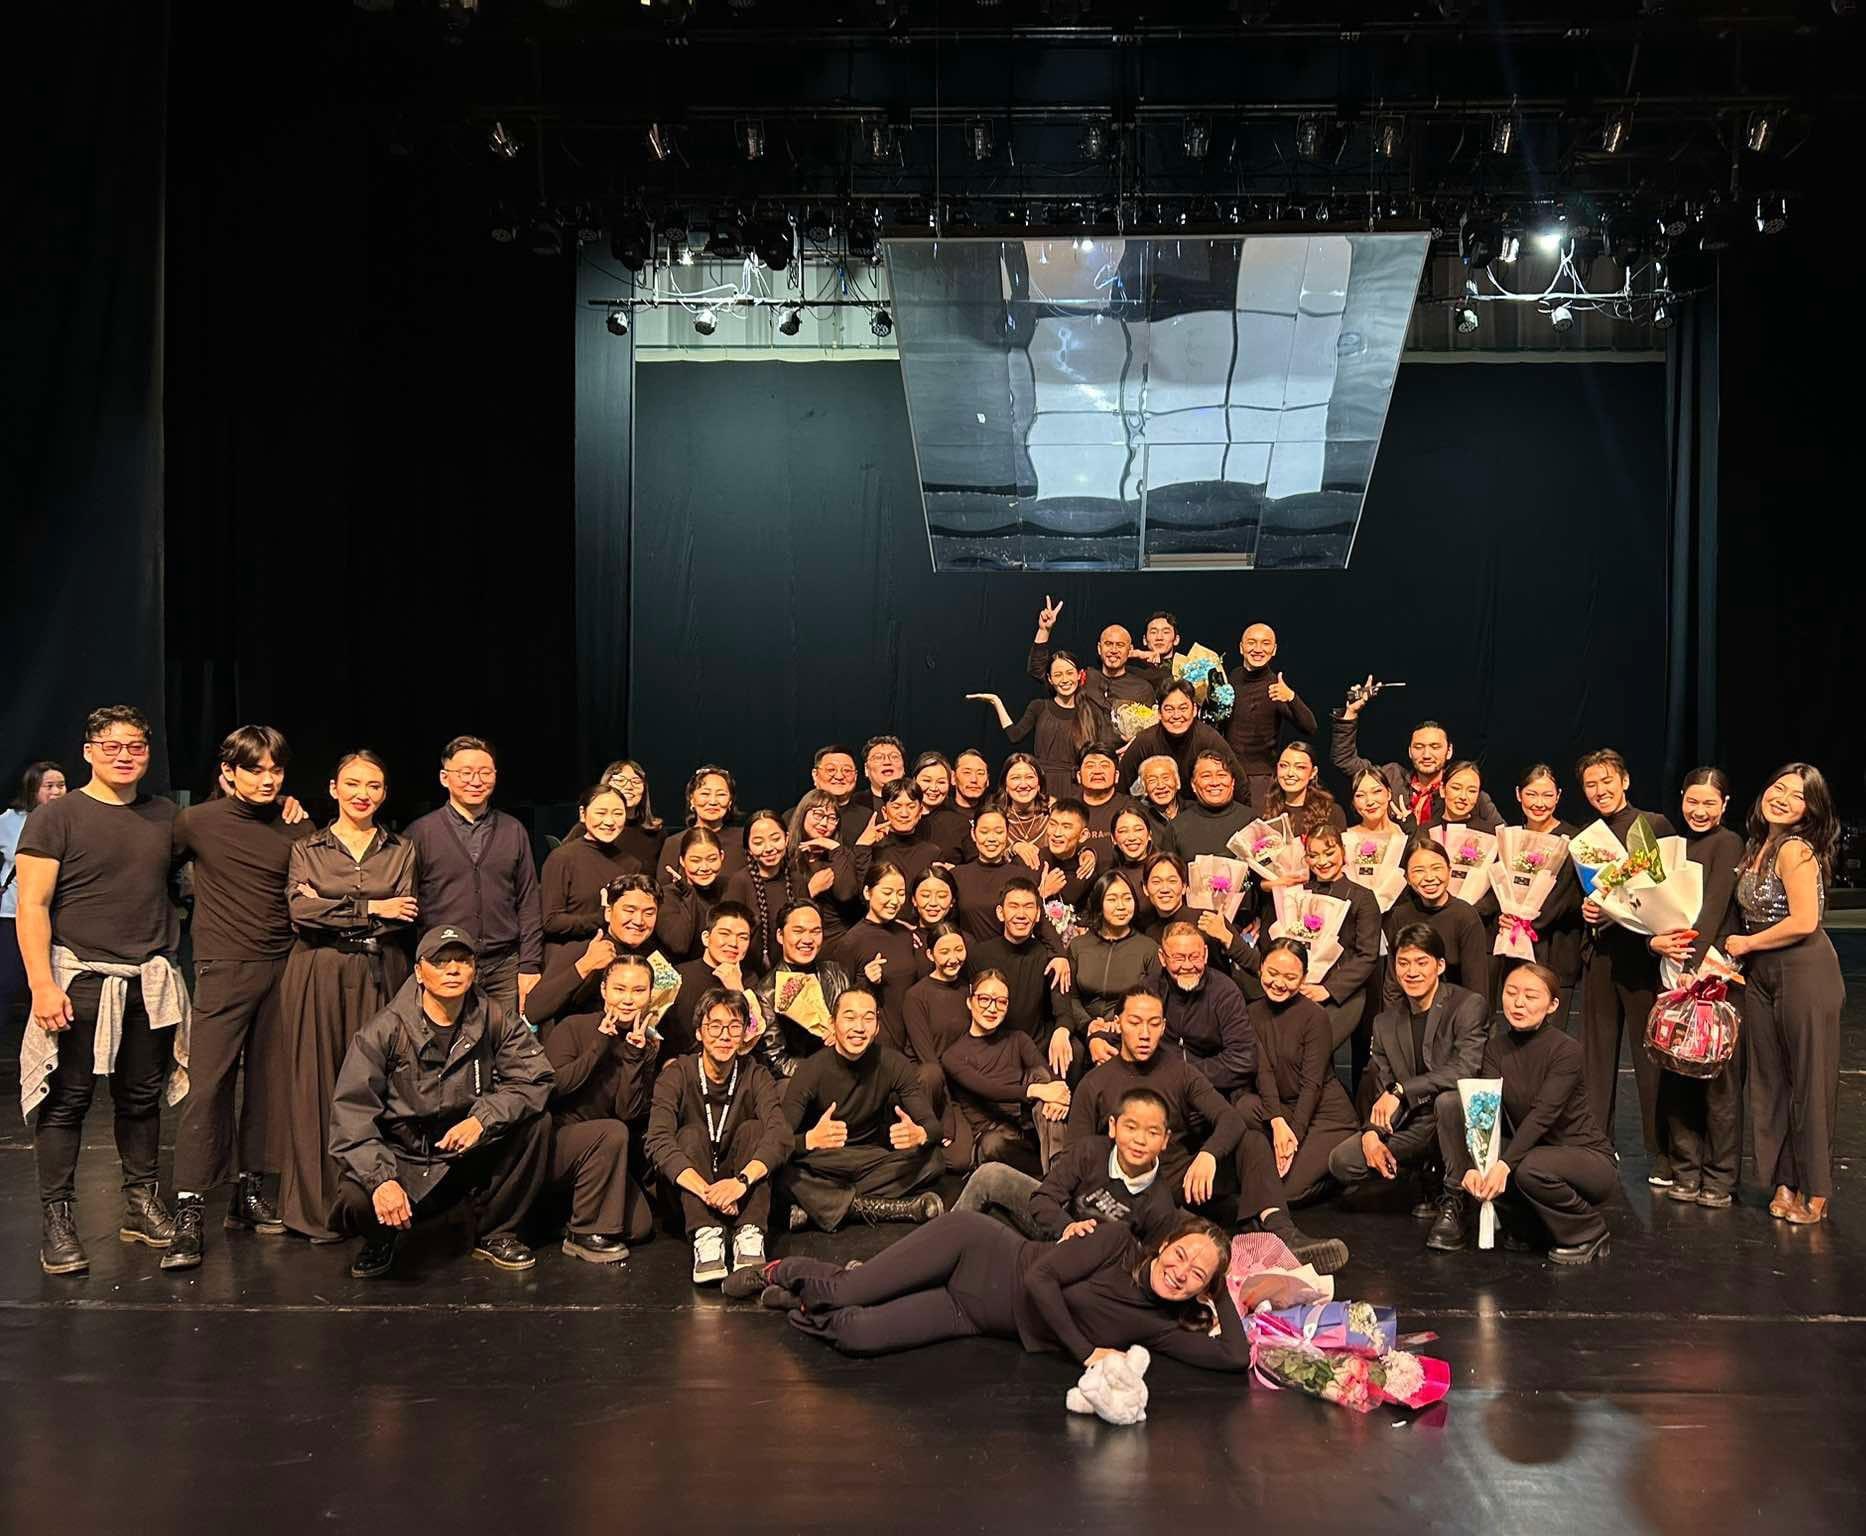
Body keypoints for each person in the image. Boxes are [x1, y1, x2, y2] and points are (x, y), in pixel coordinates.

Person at [14, 706, 183, 1275]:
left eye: (135, 745)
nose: (124, 755)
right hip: (78, 979)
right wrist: (42, 984)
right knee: (67, 1101)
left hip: (146, 982)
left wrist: (287, 809)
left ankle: (139, 1203)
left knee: (141, 1098)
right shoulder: (56, 817)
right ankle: (58, 1218)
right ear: (88, 751)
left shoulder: (165, 816)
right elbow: (32, 906)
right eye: (111, 745)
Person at [165, 725, 317, 1269]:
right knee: (208, 1086)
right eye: (255, 770)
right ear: (229, 771)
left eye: (276, 770)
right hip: (224, 967)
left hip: (284, 966)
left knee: (270, 1085)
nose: (267, 780)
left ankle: (248, 1192)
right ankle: (189, 1208)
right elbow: (158, 873)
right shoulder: (198, 822)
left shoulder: (296, 824)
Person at [328, 927, 553, 1279]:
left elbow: (536, 1078)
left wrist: (483, 1119)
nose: (452, 970)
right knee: (356, 1197)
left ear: (474, 969)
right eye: (440, 962)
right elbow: (351, 1117)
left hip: (465, 1154)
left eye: (462, 961)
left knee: (537, 1123)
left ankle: (496, 1233)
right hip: (405, 1160)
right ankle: (381, 1238)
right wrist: (381, 1179)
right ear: (419, 972)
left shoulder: (495, 1018)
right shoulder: (383, 1031)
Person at [758, 1209, 1250, 1369]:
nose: (1181, 1272)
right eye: (1181, 1256)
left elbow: (1232, 1358)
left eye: (1197, 1275)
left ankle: (801, 1299)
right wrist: (1085, 1352)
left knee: (857, 1335)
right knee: (849, 1292)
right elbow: (1039, 1279)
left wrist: (1220, 1286)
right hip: (975, 1250)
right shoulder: (1116, 1241)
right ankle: (783, 1271)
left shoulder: (1160, 1326)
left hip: (970, 1314)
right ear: (1164, 1246)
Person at [1069, 987, 1343, 1268]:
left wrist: (1209, 1154)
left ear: (1163, 1026)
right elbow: (1076, 1156)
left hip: (1181, 1177)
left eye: (1153, 1024)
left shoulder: (1179, 1070)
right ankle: (1240, 1240)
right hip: (1133, 1190)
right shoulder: (1094, 1084)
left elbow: (1229, 1119)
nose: (1144, 1034)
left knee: (1251, 1141)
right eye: (1135, 1022)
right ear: (1118, 1023)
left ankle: (1283, 1234)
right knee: (1200, 1242)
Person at [1427, 961, 1617, 1263]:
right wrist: (1476, 1165)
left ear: (1553, 1005)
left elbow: (1543, 1114)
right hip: (1530, 1152)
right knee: (1462, 1120)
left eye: (1531, 996)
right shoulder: (1496, 1049)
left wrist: (1504, 1165)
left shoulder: (1566, 1050)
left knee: (1527, 1167)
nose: (1518, 1003)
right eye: (1511, 992)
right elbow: (1486, 1110)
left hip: (1583, 1158)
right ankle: (1530, 1225)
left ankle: (1589, 1231)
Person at [1730, 764, 1843, 1226]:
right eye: (1778, 788)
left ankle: (1816, 1189)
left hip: (1804, 968)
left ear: (1809, 811)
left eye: (1796, 796)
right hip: (1762, 975)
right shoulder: (1757, 845)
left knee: (1809, 1081)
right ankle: (1783, 1181)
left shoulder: (1795, 849)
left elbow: (1804, 921)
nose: (1781, 798)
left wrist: (1748, 944)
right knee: (1770, 1081)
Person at [1328, 925, 1489, 1204]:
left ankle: (1453, 1198)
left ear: (1439, 966)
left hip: (1455, 1118)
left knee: (1448, 1102)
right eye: (1403, 963)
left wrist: (1403, 1089)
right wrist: (1372, 1133)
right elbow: (1384, 1091)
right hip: (1415, 1122)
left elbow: (1466, 1068)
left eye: (1421, 962)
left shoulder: (1467, 1005)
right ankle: (1420, 1170)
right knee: (1343, 1160)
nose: (1411, 971)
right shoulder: (1385, 1023)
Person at [1573, 748, 1676, 1179]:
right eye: (1590, 785)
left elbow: (1668, 891)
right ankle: (1598, 1143)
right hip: (1601, 956)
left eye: (1607, 781)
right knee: (1595, 1056)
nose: (1600, 790)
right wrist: (1589, 911)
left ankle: (1663, 1152)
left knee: (1650, 1056)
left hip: (1643, 957)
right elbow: (1587, 895)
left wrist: (1625, 916)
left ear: (1625, 781)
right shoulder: (1586, 838)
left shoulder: (1653, 825)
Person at [646, 988, 790, 1288]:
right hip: (690, 1194)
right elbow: (657, 1140)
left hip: (741, 1193)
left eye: (734, 1026)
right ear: (699, 1032)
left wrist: (740, 1183)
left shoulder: (756, 1074)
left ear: (744, 1033)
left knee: (755, 1130)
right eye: (715, 1026)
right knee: (690, 1134)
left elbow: (780, 1134)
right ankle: (706, 1235)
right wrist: (709, 1193)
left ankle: (750, 1234)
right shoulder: (677, 1074)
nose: (725, 1035)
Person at [1648, 768, 1745, 1208]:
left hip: (1712, 973)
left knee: (1717, 1079)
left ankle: (1720, 1176)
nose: (1699, 811)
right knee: (1677, 1072)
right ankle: (1685, 1169)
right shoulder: (1671, 846)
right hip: (1674, 970)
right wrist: (1656, 943)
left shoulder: (1729, 843)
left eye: (1709, 803)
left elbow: (1714, 906)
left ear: (1724, 805)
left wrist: (1692, 964)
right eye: (1692, 801)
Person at [777, 985, 945, 1231]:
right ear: (832, 1023)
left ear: (877, 1027)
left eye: (868, 1019)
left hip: (871, 1160)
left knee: (934, 1161)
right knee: (780, 1172)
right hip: (825, 1162)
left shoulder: (893, 1063)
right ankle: (873, 1208)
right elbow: (778, 1141)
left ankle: (822, 1205)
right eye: (850, 1017)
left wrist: (919, 1134)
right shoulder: (811, 1069)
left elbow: (934, 1127)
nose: (859, 1027)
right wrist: (809, 1140)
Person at [405, 735, 543, 1019]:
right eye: (465, 773)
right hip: (444, 965)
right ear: (444, 778)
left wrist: (530, 965)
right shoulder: (420, 833)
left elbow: (528, 900)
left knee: (504, 1041)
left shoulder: (513, 830)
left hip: (504, 966)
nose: (476, 781)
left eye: (485, 773)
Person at [539, 954, 663, 1262]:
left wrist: (635, 1056)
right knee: (612, 1132)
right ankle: (582, 1233)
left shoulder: (645, 1043)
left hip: (605, 1153)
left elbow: (628, 1112)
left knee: (640, 1228)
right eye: (620, 989)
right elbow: (555, 1088)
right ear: (604, 990)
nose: (628, 1000)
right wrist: (599, 1044)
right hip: (558, 1143)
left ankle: (570, 1214)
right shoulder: (574, 1026)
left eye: (638, 991)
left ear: (650, 994)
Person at [957, 1085, 1179, 1243]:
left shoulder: (1161, 1207)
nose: (1140, 1140)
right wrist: (1067, 1227)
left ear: (1165, 1140)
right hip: (1060, 1226)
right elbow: (1043, 1198)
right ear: (1113, 1127)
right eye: (1130, 1127)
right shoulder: (1090, 1150)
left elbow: (1142, 1268)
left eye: (1152, 1132)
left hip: (1093, 1269)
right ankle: (945, 1235)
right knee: (990, 1175)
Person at [1243, 940, 1361, 1206]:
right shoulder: (1250, 1013)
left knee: (1286, 1194)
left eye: (1290, 977)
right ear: (1261, 968)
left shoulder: (1314, 1016)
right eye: (1272, 973)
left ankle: (1335, 1177)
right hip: (1284, 1109)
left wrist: (1292, 1138)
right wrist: (1276, 1121)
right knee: (1244, 1107)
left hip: (1324, 1115)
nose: (1279, 983)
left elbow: (1312, 1085)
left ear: (1304, 978)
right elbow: (1263, 1072)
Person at [939, 969, 1070, 1175]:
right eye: (984, 999)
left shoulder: (1018, 1039)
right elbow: (989, 1089)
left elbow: (1047, 1077)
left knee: (1042, 1077)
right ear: (970, 1002)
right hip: (994, 1140)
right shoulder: (952, 1056)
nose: (992, 1008)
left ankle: (1059, 1172)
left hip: (1031, 1131)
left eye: (1001, 1002)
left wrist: (1060, 1095)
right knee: (993, 1143)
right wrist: (1034, 1090)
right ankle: (1055, 1173)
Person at [1331, 684, 1499, 828]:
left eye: (1435, 747)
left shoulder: (1462, 790)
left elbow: (1502, 834)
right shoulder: (1391, 776)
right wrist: (1351, 712)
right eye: (1419, 747)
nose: (1426, 755)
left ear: (1449, 751)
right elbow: (1345, 759)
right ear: (1410, 751)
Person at [523, 874, 677, 1029]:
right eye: (629, 910)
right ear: (608, 912)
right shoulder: (582, 951)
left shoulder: (656, 958)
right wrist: (584, 966)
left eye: (649, 913)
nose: (638, 921)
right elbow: (533, 1011)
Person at [967, 652, 1113, 799]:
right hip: (1042, 785)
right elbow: (1014, 735)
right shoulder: (1039, 707)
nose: (1064, 679)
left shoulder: (1090, 712)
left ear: (1079, 675)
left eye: (1069, 673)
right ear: (1050, 679)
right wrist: (996, 701)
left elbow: (1099, 750)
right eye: (1058, 675)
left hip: (1076, 787)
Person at [1291, 827, 1383, 1051]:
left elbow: (1367, 954)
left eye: (1329, 852)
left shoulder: (1363, 897)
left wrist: (1329, 989)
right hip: (1302, 988)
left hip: (1345, 991)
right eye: (1313, 855)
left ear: (1343, 852)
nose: (1322, 861)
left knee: (1319, 1050)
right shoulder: (1298, 894)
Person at [969, 877, 1071, 1069]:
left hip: (1036, 1046)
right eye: (1014, 906)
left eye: (1028, 907)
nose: (1021, 914)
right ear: (1001, 913)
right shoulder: (979, 954)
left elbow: (1064, 1010)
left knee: (1074, 1049)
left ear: (1038, 914)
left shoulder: (1049, 957)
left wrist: (1062, 1030)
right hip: (991, 1046)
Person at [1507, 763, 1585, 1010]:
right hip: (1516, 951)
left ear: (1558, 796)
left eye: (1547, 795)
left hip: (1558, 951)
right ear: (1518, 794)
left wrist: (1523, 920)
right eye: (1531, 794)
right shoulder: (1510, 839)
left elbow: (1569, 898)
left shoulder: (1573, 840)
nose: (1539, 803)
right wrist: (1507, 917)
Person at [540, 782, 641, 970]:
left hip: (616, 961)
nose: (609, 821)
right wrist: (600, 918)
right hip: (569, 960)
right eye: (601, 813)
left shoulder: (631, 864)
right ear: (582, 813)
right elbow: (551, 921)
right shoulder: (562, 858)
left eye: (618, 813)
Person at [830, 860, 928, 1052]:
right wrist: (866, 981)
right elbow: (840, 1001)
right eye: (887, 892)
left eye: (900, 893)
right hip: (875, 1045)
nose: (895, 900)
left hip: (910, 1040)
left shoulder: (905, 934)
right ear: (868, 892)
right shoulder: (851, 942)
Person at [1380, 835, 1489, 1007]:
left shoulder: (1466, 916)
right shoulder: (1400, 915)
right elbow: (1393, 981)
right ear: (1407, 878)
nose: (1429, 877)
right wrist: (1391, 1019)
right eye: (1419, 871)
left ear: (1449, 871)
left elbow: (1476, 987)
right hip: (1409, 1011)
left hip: (1454, 1012)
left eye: (1436, 868)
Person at [1026, 596, 1163, 733]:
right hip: (1083, 746)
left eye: (1120, 645)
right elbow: (1038, 670)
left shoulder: (1142, 689)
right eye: (1108, 644)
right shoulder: (1085, 678)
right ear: (1099, 648)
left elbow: (1152, 732)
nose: (1114, 650)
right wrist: (1044, 630)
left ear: (1130, 649)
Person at [1062, 872, 1158, 1063]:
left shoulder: (1148, 948)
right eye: (1112, 899)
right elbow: (1071, 997)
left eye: (1127, 898)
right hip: (1083, 1028)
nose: (1121, 906)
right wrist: (1089, 1025)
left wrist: (1120, 1021)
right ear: (1099, 903)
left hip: (1127, 1030)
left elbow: (1153, 999)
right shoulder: (1079, 945)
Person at [749, 899, 853, 1076]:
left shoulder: (837, 973)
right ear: (780, 935)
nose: (807, 939)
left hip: (851, 1069)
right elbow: (775, 1060)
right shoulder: (766, 992)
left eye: (815, 931)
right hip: (803, 1081)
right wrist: (824, 1070)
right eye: (798, 931)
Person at [1155, 920, 1257, 1098]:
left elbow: (1243, 1058)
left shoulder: (1225, 992)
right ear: (1162, 958)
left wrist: (1184, 1075)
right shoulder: (1150, 989)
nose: (1188, 966)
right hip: (1162, 1087)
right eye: (1178, 958)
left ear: (1206, 954)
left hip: (1211, 1089)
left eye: (1195, 957)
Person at [1, 760, 66, 1031]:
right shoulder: (9, 821)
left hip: (58, 915)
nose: (56, 792)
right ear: (32, 789)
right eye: (48, 786)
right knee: (9, 980)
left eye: (61, 785)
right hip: (13, 914)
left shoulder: (72, 819)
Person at [1223, 623, 1318, 807]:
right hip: (1229, 772)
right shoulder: (1233, 676)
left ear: (1274, 650)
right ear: (1241, 647)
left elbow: (1310, 727)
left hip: (1260, 779)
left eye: (1265, 643)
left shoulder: (1275, 688)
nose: (1258, 649)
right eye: (1252, 642)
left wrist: (1291, 697)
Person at [903, 922, 973, 1158]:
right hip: (928, 1085)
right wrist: (947, 1118)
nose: (953, 958)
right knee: (931, 1073)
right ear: (930, 955)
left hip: (956, 1083)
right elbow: (928, 1059)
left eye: (959, 950)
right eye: (944, 952)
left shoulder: (968, 990)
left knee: (960, 1159)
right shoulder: (916, 996)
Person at [665, 899, 757, 1057]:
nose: (733, 943)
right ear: (706, 938)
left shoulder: (750, 979)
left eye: (743, 937)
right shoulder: (677, 976)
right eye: (725, 934)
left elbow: (751, 1036)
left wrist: (737, 989)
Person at [1122, 682, 1240, 794]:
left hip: (1201, 806)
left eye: (1183, 708)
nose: (1176, 716)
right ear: (1159, 713)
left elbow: (1240, 784)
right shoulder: (1146, 741)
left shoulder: (1209, 738)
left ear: (1194, 710)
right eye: (1169, 709)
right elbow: (1122, 787)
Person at [652, 826, 730, 963]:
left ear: (722, 856)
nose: (704, 868)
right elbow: (680, 945)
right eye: (695, 860)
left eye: (712, 859)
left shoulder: (730, 888)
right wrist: (689, 894)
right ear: (682, 860)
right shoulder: (667, 896)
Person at [1164, 751, 1257, 862]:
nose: (1215, 782)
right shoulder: (1176, 828)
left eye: (1221, 775)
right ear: (1193, 784)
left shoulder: (1251, 822)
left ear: (1232, 782)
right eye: (1206, 776)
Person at [657, 765, 749, 876]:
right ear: (691, 799)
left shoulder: (745, 839)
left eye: (721, 794)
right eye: (705, 794)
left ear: (730, 802)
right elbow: (663, 885)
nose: (713, 801)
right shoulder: (674, 843)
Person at [1257, 741, 1347, 840]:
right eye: (1284, 766)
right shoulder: (1263, 809)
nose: (1290, 773)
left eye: (1300, 767)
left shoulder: (1331, 812)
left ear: (1313, 772)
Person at [869, 781, 948, 889]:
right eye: (896, 807)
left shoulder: (932, 853)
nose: (904, 814)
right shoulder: (874, 851)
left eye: (911, 807)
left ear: (920, 811)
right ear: (885, 812)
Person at [597, 758, 664, 871]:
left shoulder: (656, 833)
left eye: (636, 781)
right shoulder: (591, 828)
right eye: (620, 780)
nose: (628, 787)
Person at [911, 752, 973, 854]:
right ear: (914, 781)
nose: (933, 788)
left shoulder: (960, 825)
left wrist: (951, 865)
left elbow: (975, 861)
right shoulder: (902, 819)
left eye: (941, 782)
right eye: (927, 781)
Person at [1073, 744, 1135, 843]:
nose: (1097, 771)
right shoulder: (1067, 810)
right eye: (1090, 766)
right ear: (1079, 776)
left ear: (1116, 776)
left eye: (1104, 766)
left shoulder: (1132, 808)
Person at [1421, 760, 1502, 835]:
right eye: (1456, 788)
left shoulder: (1489, 833)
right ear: (1442, 789)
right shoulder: (1426, 831)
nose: (1463, 797)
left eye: (1472, 791)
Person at [1135, 756, 1185, 845]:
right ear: (1144, 788)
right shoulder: (1139, 818)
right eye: (1152, 780)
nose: (1160, 785)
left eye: (1166, 778)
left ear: (1177, 782)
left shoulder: (1194, 811)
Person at [907, 866, 958, 936]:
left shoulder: (963, 940)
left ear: (952, 901)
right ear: (914, 899)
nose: (933, 903)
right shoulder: (903, 937)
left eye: (941, 896)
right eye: (925, 895)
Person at [1107, 808, 1154, 881]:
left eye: (1138, 829)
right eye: (1123, 831)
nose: (1132, 838)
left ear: (1149, 835)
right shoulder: (1111, 879)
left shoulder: (1164, 870)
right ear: (1113, 839)